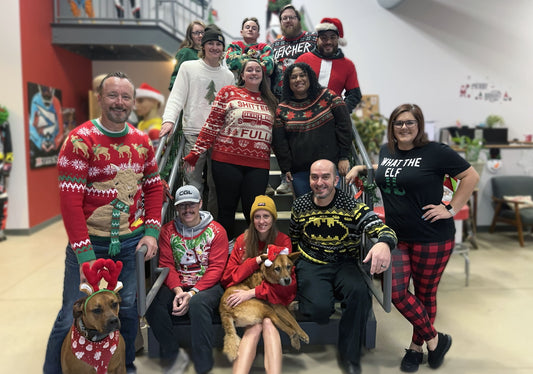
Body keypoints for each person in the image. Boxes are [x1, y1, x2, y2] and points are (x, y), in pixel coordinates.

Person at [43, 71, 163, 374]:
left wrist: (151, 231)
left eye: (125, 97)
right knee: (72, 314)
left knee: (126, 310)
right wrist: (84, 257)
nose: (119, 102)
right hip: (89, 245)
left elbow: (154, 186)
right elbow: (70, 202)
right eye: (112, 95)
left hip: (129, 244)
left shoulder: (141, 141)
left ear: (133, 102)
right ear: (99, 98)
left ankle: (125, 366)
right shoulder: (79, 140)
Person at [345, 103, 479, 372]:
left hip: (432, 237)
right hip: (396, 236)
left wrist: (450, 208)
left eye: (410, 122)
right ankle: (435, 339)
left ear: (419, 125)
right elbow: (390, 168)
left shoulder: (436, 152)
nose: (404, 127)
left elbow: (470, 176)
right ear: (392, 127)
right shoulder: (388, 151)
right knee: (394, 291)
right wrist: (363, 168)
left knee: (425, 293)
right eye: (398, 123)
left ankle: (416, 348)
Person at [291, 159, 397, 374]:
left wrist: (385, 243)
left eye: (325, 177)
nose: (319, 182)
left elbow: (383, 229)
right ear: (309, 179)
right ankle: (317, 298)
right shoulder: (299, 205)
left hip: (344, 262)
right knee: (319, 310)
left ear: (336, 180)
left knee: (360, 294)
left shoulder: (351, 206)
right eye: (314, 177)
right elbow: (294, 237)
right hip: (312, 262)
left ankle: (350, 357)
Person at [183, 58, 278, 240]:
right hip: (226, 162)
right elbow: (213, 123)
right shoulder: (229, 92)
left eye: (257, 70)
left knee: (255, 212)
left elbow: (276, 135)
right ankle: (224, 255)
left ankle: (254, 255)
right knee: (226, 210)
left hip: (258, 164)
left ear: (262, 75)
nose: (254, 73)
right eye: (249, 69)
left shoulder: (271, 100)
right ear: (241, 75)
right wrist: (196, 151)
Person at [145, 185, 228, 374]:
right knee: (151, 302)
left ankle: (203, 365)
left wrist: (192, 293)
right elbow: (166, 264)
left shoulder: (217, 231)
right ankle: (173, 356)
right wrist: (178, 291)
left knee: (198, 303)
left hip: (208, 286)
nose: (187, 210)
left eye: (191, 204)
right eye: (182, 206)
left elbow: (216, 268)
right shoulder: (167, 231)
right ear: (177, 208)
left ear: (200, 203)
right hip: (179, 285)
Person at [160, 25, 234, 218]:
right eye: (211, 43)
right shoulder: (188, 68)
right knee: (192, 183)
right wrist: (169, 120)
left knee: (216, 184)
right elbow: (177, 96)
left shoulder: (228, 76)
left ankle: (211, 225)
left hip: (220, 138)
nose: (215, 47)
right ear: (203, 45)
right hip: (194, 135)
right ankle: (191, 224)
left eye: (219, 44)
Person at [220, 195, 293, 374]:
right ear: (252, 219)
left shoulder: (283, 241)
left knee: (268, 323)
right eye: (257, 216)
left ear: (273, 218)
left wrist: (252, 292)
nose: (261, 221)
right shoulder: (242, 241)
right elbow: (228, 278)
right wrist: (256, 261)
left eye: (266, 216)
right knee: (256, 326)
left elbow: (287, 283)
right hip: (247, 301)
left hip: (272, 298)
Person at [272, 62, 352, 198]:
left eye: (302, 75)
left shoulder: (329, 97)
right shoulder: (282, 109)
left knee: (330, 211)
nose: (298, 80)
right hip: (300, 173)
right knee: (306, 214)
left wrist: (344, 156)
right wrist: (285, 169)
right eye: (293, 77)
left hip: (329, 170)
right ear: (288, 82)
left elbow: (344, 126)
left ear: (310, 77)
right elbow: (280, 143)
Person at [270, 4, 317, 195]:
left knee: (307, 139)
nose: (288, 21)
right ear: (280, 23)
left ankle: (314, 176)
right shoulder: (275, 46)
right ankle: (285, 178)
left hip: (308, 100)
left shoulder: (312, 39)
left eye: (291, 17)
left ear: (298, 20)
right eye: (284, 18)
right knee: (283, 141)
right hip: (282, 101)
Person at [296, 17, 362, 113]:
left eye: (332, 37)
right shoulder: (303, 60)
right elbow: (290, 87)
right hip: (304, 117)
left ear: (338, 39)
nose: (329, 42)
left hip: (333, 122)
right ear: (317, 39)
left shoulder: (348, 65)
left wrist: (342, 112)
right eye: (324, 38)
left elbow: (355, 94)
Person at [168, 20, 206, 91]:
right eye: (197, 33)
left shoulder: (207, 53)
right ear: (190, 35)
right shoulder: (185, 52)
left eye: (202, 32)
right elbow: (176, 76)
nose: (200, 35)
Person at [135, 82, 165, 148]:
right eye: (135, 101)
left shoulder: (155, 130)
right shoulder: (141, 124)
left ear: (155, 102)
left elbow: (155, 157)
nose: (136, 105)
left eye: (140, 101)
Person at [0, 105, 13, 241]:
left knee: (1, 197)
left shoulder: (3, 121)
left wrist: (8, 167)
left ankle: (0, 229)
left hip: (1, 167)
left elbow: (8, 145)